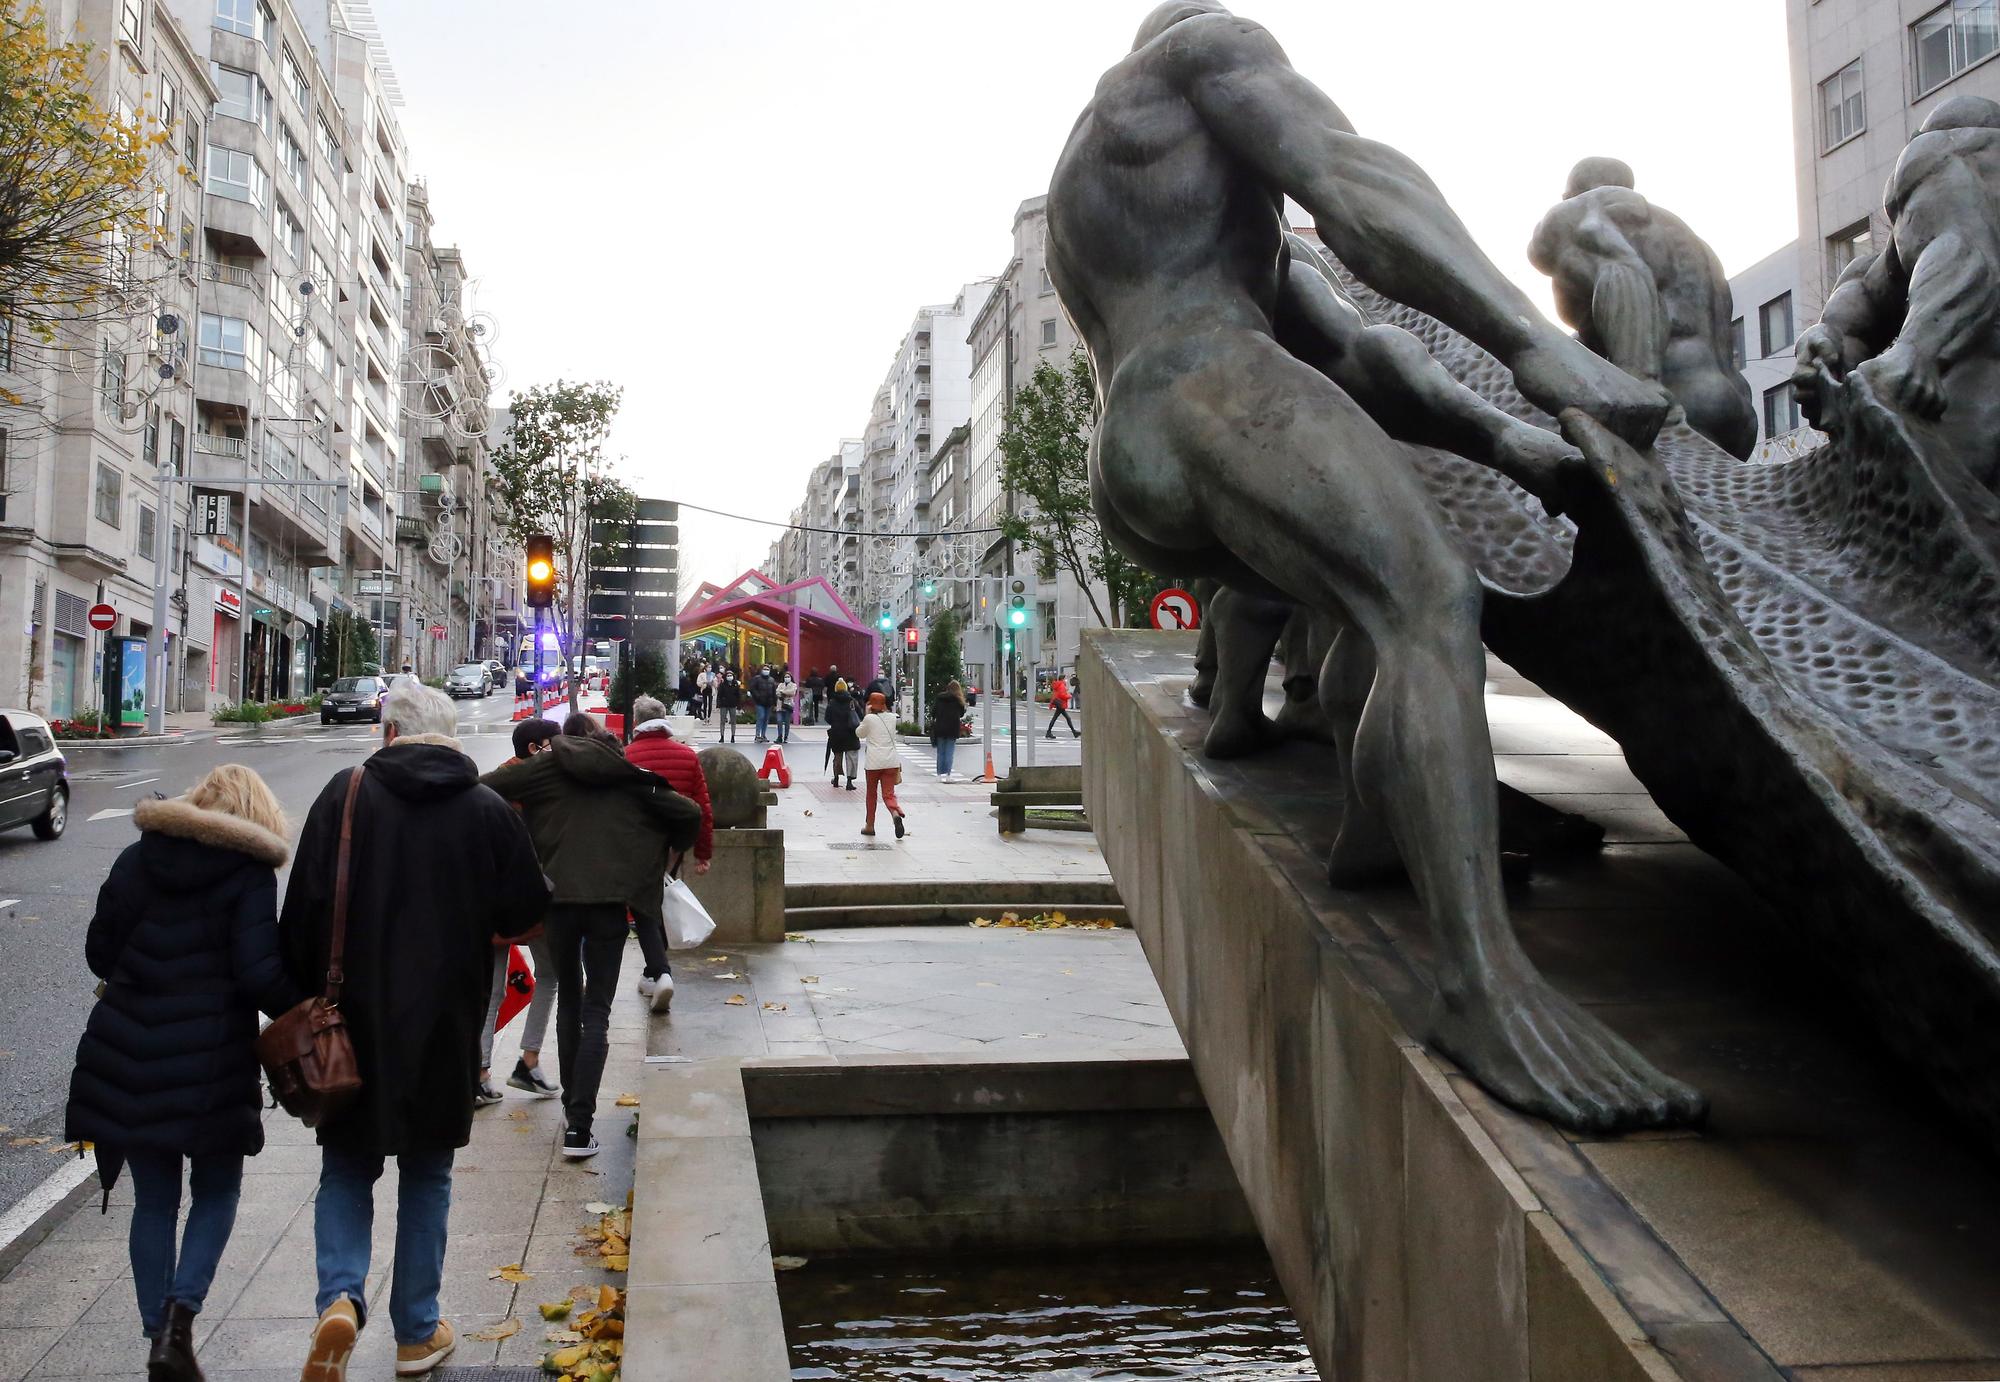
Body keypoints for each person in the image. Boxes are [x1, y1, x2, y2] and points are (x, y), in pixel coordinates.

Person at [1041, 1, 1699, 1130]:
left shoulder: (1138, 194)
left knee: (1348, 596)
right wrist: (1538, 353)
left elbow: (1356, 349)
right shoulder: (1199, 57)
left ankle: (1377, 826)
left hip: (1139, 442)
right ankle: (1482, 989)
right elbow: (1356, 188)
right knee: (1427, 597)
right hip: (1202, 383)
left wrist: (1513, 447)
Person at [283, 682, 549, 1381]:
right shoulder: (487, 808)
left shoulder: (344, 796)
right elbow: (528, 909)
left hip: (353, 1021)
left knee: (347, 1165)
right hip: (445, 1022)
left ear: (390, 733)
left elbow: (302, 914)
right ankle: (416, 1333)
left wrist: (307, 998)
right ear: (451, 734)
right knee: (428, 1172)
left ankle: (340, 1298)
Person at [65, 766, 301, 1382]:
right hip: (210, 1056)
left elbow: (99, 952)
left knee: (153, 1201)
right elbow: (258, 974)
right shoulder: (248, 873)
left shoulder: (136, 858)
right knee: (218, 1191)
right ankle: (179, 1321)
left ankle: (155, 1336)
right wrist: (310, 1008)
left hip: (127, 1052)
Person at [480, 709, 701, 1159]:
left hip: (557, 905)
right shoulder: (629, 776)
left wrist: (526, 851)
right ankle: (580, 1127)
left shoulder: (545, 770)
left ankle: (570, 1110)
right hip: (609, 909)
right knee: (597, 1009)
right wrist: (656, 861)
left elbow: (484, 790)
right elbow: (688, 812)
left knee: (570, 1001)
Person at [1528, 158, 1756, 459]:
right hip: (1735, 404)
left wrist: (1637, 382)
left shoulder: (1588, 213)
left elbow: (1622, 271)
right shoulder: (1690, 243)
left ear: (1571, 195)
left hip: (1677, 399)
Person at [476, 718, 565, 1106]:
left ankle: (479, 1072)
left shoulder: (488, 787)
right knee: (550, 975)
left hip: (489, 902)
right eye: (554, 745)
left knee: (490, 989)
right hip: (530, 900)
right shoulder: (536, 788)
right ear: (535, 748)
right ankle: (528, 1060)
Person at [623, 696, 714, 1012]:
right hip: (676, 844)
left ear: (637, 721)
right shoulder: (687, 756)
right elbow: (702, 807)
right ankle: (654, 972)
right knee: (657, 901)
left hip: (638, 845)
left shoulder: (627, 756)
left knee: (645, 909)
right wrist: (703, 852)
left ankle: (659, 974)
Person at [857, 691, 908, 839]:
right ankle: (895, 813)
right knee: (888, 794)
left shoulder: (869, 719)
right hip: (891, 762)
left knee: (871, 794)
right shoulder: (892, 718)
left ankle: (870, 826)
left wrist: (866, 714)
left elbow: (859, 733)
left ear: (870, 705)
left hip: (873, 763)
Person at [824, 678, 860, 789]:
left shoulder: (832, 702)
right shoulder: (852, 701)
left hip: (836, 733)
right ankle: (849, 782)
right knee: (852, 757)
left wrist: (836, 723)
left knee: (837, 757)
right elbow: (860, 714)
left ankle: (836, 779)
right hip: (851, 734)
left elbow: (827, 718)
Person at [932, 679, 967, 780]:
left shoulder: (940, 697)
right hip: (952, 728)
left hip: (940, 727)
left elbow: (933, 712)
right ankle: (948, 775)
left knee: (940, 752)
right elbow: (961, 713)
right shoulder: (958, 700)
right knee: (949, 752)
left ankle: (938, 774)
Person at [748, 664, 777, 742]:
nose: (766, 671)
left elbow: (774, 692)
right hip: (759, 702)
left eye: (767, 669)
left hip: (769, 703)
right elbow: (752, 688)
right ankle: (757, 735)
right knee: (761, 717)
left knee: (766, 719)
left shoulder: (772, 680)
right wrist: (758, 696)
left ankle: (763, 735)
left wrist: (775, 703)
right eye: (764, 669)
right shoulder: (757, 679)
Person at [1046, 674, 1079, 739]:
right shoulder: (1061, 685)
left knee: (1059, 718)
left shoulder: (1059, 684)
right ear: (1063, 679)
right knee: (1066, 718)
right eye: (1065, 679)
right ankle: (1074, 732)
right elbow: (1062, 695)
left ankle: (1049, 732)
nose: (1066, 680)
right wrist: (1069, 696)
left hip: (1059, 703)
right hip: (1060, 703)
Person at [714, 668, 742, 742]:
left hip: (733, 704)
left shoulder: (736, 684)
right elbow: (719, 695)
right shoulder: (722, 685)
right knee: (722, 721)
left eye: (731, 675)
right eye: (728, 675)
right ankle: (722, 736)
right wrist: (718, 705)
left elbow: (738, 695)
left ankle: (733, 736)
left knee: (733, 721)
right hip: (724, 704)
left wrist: (739, 705)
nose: (730, 677)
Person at [775, 668, 797, 744]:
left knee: (787, 722)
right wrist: (785, 693)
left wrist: (783, 692)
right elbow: (777, 692)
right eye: (785, 677)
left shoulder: (793, 685)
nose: (787, 678)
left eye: (788, 677)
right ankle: (779, 736)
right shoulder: (780, 685)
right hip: (780, 705)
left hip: (788, 705)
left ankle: (786, 737)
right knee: (779, 721)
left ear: (791, 678)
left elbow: (792, 692)